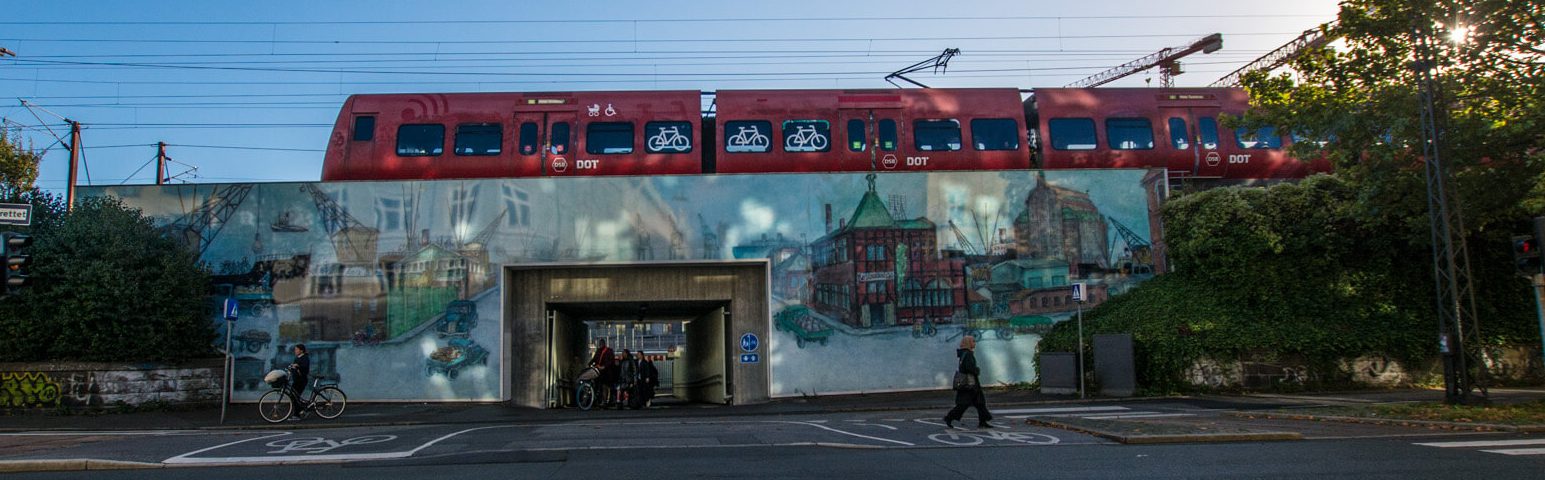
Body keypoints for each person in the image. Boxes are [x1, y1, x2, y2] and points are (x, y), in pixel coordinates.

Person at [944, 335, 993, 429]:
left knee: (980, 403)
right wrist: (976, 370)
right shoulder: (968, 354)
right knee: (964, 404)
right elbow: (969, 368)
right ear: (968, 343)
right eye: (973, 341)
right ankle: (949, 417)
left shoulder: (963, 353)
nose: (974, 343)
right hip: (970, 384)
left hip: (969, 383)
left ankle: (983, 421)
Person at [589, 339, 617, 407]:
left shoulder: (608, 351)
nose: (600, 345)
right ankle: (603, 400)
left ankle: (605, 401)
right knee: (601, 386)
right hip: (601, 371)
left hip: (607, 372)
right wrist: (590, 363)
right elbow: (595, 359)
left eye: (601, 344)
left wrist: (604, 366)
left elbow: (611, 361)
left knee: (605, 386)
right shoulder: (601, 351)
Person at [286, 344, 311, 420]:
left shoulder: (305, 358)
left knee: (295, 397)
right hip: (296, 380)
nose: (295, 351)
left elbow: (304, 367)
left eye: (296, 350)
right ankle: (302, 410)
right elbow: (295, 367)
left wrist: (297, 366)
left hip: (301, 380)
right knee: (293, 396)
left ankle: (297, 415)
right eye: (295, 349)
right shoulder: (297, 358)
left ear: (301, 350)